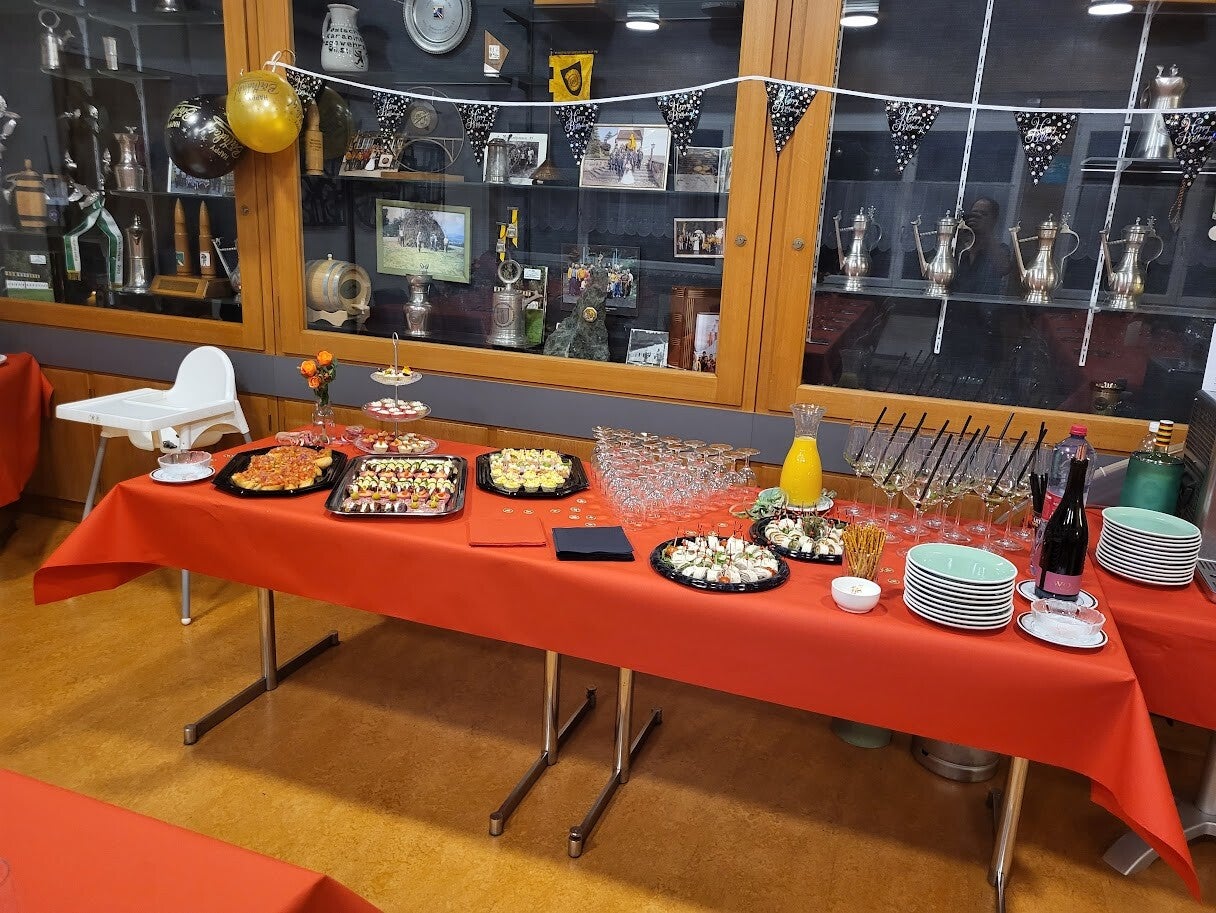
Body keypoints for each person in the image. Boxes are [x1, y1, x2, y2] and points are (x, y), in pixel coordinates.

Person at [953, 197, 1013, 296]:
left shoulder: (1000, 249)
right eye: (974, 214)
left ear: (994, 220)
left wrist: (986, 230)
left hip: (984, 304)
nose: (977, 217)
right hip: (953, 303)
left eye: (983, 214)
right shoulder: (958, 247)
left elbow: (1004, 268)